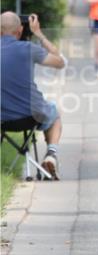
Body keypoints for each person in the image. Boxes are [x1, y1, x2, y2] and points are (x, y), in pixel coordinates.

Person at [1, 11, 66, 179]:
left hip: (2, 119)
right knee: (54, 111)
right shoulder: (29, 48)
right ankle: (51, 154)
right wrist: (39, 34)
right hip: (31, 116)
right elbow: (60, 62)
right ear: (20, 31)